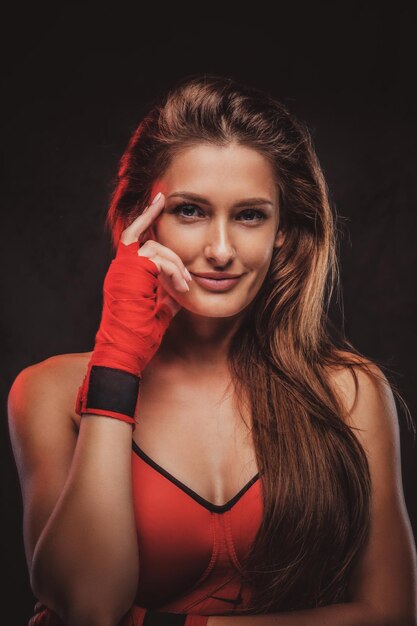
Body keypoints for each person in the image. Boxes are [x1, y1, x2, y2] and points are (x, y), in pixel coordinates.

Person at [8, 74, 417, 626]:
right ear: (139, 221)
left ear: (282, 230)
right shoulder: (49, 392)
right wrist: (118, 357)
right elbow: (90, 607)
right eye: (190, 211)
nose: (220, 250)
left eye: (249, 215)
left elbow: (390, 614)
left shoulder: (349, 391)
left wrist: (164, 624)